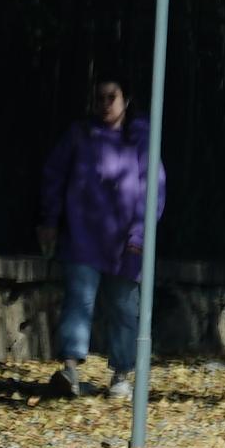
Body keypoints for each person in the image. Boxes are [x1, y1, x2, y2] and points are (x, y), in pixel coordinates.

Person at [38, 81, 161, 398]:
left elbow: (153, 190)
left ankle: (121, 376)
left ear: (126, 99)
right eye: (100, 98)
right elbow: (54, 175)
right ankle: (70, 370)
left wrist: (140, 234)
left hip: (126, 243)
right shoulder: (79, 134)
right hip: (82, 236)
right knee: (79, 301)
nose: (106, 103)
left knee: (123, 308)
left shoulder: (142, 139)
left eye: (112, 97)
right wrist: (50, 221)